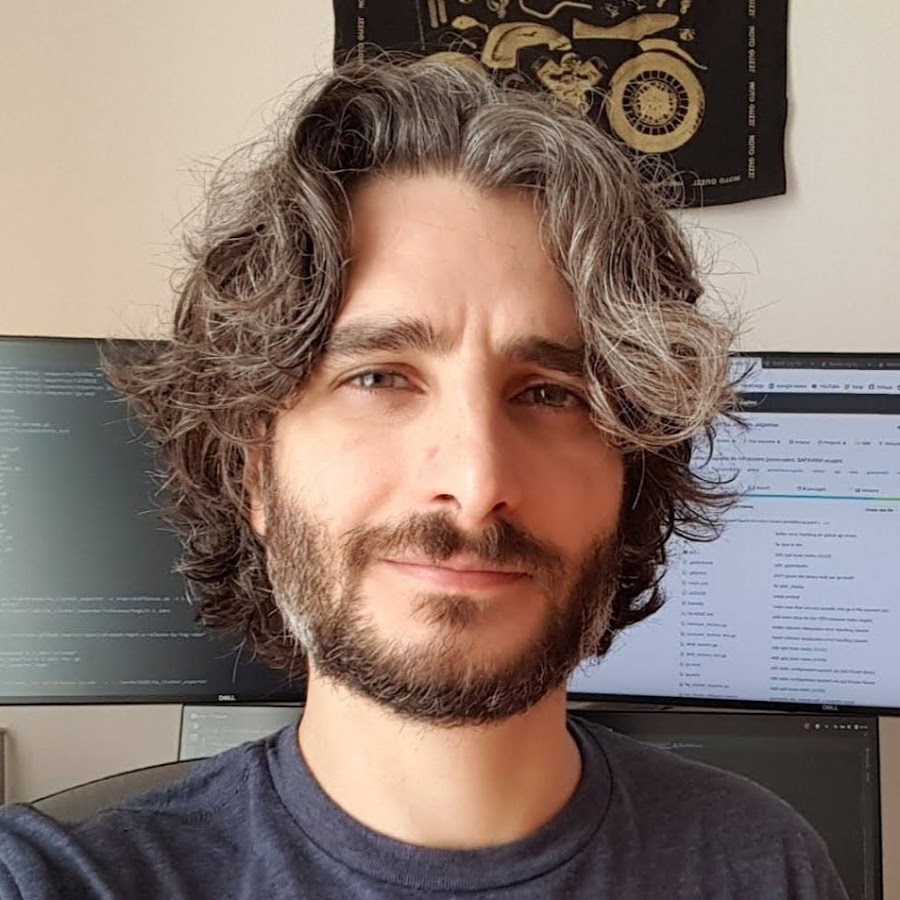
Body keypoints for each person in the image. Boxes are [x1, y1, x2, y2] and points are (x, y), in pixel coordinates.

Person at [0, 58, 847, 899]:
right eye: (379, 378)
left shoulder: (762, 864)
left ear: (630, 481)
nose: (476, 484)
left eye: (550, 394)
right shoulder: (58, 880)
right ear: (255, 469)